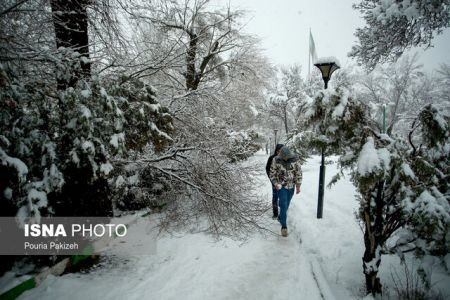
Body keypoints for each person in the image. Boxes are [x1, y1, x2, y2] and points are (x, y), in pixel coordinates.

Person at [269, 146, 302, 237]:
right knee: (283, 204)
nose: (286, 158)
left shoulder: (295, 160)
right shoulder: (276, 160)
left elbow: (298, 173)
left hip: (291, 186)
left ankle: (281, 217)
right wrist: (275, 183)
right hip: (281, 186)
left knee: (286, 204)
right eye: (284, 157)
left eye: (288, 157)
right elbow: (272, 173)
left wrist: (298, 186)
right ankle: (284, 227)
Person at [266, 144, 284, 219]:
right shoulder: (271, 158)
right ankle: (275, 213)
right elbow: (267, 169)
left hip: (283, 182)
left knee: (283, 198)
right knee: (275, 197)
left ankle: (281, 215)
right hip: (275, 182)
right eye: (279, 150)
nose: (280, 152)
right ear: (276, 150)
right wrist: (272, 180)